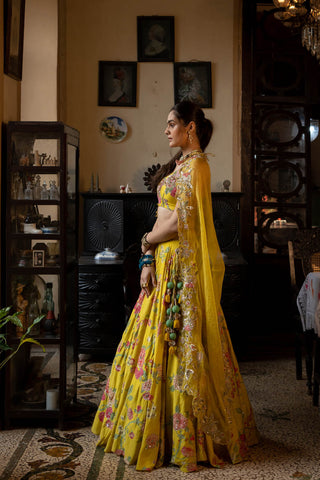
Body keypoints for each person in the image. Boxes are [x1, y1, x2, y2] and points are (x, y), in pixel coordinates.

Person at [92, 101, 259, 472]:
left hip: (179, 267)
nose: (167, 130)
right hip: (163, 261)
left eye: (172, 124)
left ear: (191, 128)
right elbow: (165, 215)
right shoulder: (182, 165)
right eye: (167, 124)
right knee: (152, 337)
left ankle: (186, 437)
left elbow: (178, 223)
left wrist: (147, 241)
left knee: (178, 338)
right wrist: (149, 257)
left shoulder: (198, 166)